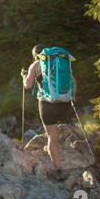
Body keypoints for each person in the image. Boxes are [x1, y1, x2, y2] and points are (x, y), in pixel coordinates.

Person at [21, 45, 77, 180]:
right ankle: (76, 157)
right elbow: (73, 81)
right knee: (69, 130)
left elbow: (27, 86)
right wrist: (73, 96)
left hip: (47, 104)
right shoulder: (60, 61)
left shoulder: (35, 65)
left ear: (35, 55)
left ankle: (58, 169)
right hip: (65, 102)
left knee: (52, 136)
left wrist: (24, 76)